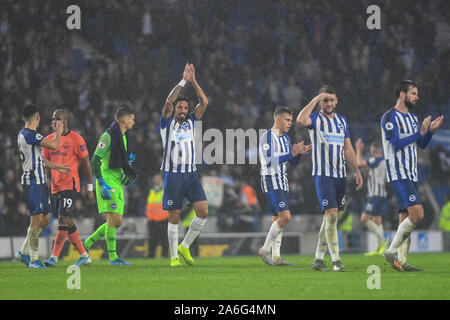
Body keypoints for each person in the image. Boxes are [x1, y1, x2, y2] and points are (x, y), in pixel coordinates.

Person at [297, 85, 363, 271]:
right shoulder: (316, 119)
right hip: (323, 175)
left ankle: (318, 260)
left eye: (331, 100)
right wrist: (315, 98)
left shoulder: (342, 121)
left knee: (330, 219)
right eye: (325, 100)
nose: (329, 103)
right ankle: (336, 261)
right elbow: (300, 120)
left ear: (337, 101)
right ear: (320, 102)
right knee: (332, 216)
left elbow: (348, 149)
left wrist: (357, 171)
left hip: (340, 176)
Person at [381, 80, 444, 271]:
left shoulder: (413, 118)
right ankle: (391, 251)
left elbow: (422, 144)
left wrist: (430, 132)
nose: (417, 97)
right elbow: (397, 144)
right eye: (414, 93)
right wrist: (420, 132)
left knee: (405, 218)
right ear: (402, 94)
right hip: (398, 173)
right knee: (418, 214)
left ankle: (401, 260)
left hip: (412, 173)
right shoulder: (389, 117)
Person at [160, 63, 209, 267]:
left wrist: (194, 82)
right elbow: (169, 100)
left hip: (190, 175)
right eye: (179, 108)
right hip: (173, 175)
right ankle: (173, 257)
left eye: (184, 108)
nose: (181, 110)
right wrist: (182, 80)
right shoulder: (166, 123)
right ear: (174, 110)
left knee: (203, 211)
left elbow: (204, 102)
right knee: (174, 217)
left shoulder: (192, 121)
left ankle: (184, 246)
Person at [15, 104, 70, 268]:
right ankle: (34, 259)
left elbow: (39, 159)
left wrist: (57, 166)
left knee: (45, 219)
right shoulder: (30, 134)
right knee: (36, 218)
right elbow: (53, 145)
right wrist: (59, 133)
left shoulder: (24, 134)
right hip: (32, 181)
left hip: (39, 180)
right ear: (37, 118)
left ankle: (22, 252)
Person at [83, 108, 137, 266]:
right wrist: (100, 183)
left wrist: (128, 174)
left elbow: (124, 160)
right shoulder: (107, 136)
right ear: (123, 120)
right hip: (107, 181)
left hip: (118, 181)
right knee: (113, 220)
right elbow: (94, 160)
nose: (133, 121)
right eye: (131, 119)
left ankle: (85, 244)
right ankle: (113, 259)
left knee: (117, 221)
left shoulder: (125, 137)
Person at [258, 106, 312, 266]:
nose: (290, 123)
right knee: (285, 217)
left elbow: (292, 162)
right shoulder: (267, 137)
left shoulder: (286, 138)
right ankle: (264, 249)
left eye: (290, 120)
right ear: (277, 119)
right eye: (287, 120)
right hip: (271, 179)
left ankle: (276, 257)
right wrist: (291, 154)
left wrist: (299, 153)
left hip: (282, 180)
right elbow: (268, 160)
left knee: (277, 218)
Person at [42, 109, 95, 267]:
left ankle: (54, 257)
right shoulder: (49, 140)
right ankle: (84, 255)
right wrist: (44, 184)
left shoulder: (76, 139)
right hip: (55, 187)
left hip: (70, 185)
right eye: (52, 119)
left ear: (65, 121)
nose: (53, 122)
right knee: (68, 221)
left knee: (63, 220)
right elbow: (43, 162)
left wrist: (90, 188)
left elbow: (86, 164)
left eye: (57, 119)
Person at [355, 138, 389, 256]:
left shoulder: (376, 159)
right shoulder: (382, 161)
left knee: (364, 219)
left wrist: (358, 150)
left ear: (374, 150)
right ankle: (380, 248)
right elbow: (368, 170)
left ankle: (383, 241)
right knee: (376, 220)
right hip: (381, 193)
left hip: (375, 194)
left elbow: (359, 163)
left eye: (371, 150)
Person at [145, 173, 169, 258]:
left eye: (158, 178)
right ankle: (151, 255)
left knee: (164, 239)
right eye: (155, 178)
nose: (156, 180)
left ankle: (165, 255)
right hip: (152, 219)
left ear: (162, 179)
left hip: (163, 219)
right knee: (152, 239)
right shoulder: (151, 190)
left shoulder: (165, 190)